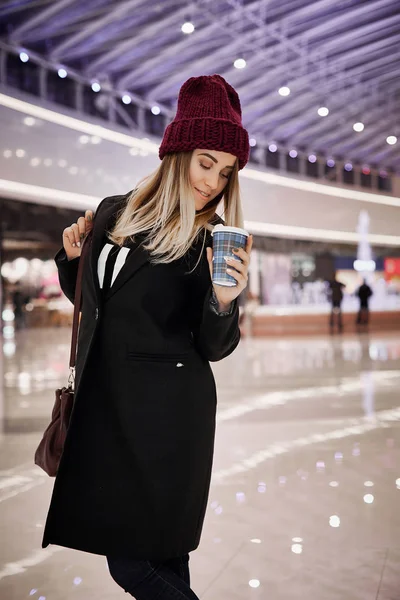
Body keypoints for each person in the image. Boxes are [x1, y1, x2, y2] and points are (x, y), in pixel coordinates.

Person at [41, 74, 252, 600]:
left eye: (225, 172)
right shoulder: (115, 210)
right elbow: (104, 309)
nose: (212, 181)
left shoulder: (210, 239)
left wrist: (224, 301)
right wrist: (72, 264)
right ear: (178, 152)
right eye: (206, 162)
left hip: (166, 422)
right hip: (108, 409)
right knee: (162, 560)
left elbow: (214, 346)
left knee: (132, 566)